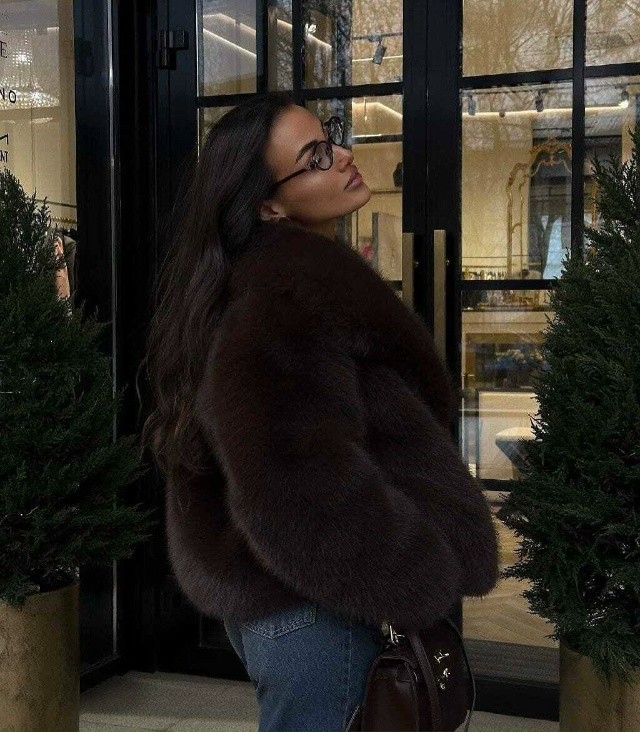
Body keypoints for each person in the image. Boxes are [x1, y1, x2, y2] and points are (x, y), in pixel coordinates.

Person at [141, 91, 500, 732]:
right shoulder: (285, 300)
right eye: (315, 157)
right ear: (269, 206)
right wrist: (413, 569)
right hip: (313, 607)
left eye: (330, 139)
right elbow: (294, 480)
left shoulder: (280, 283)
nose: (343, 157)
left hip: (300, 595)